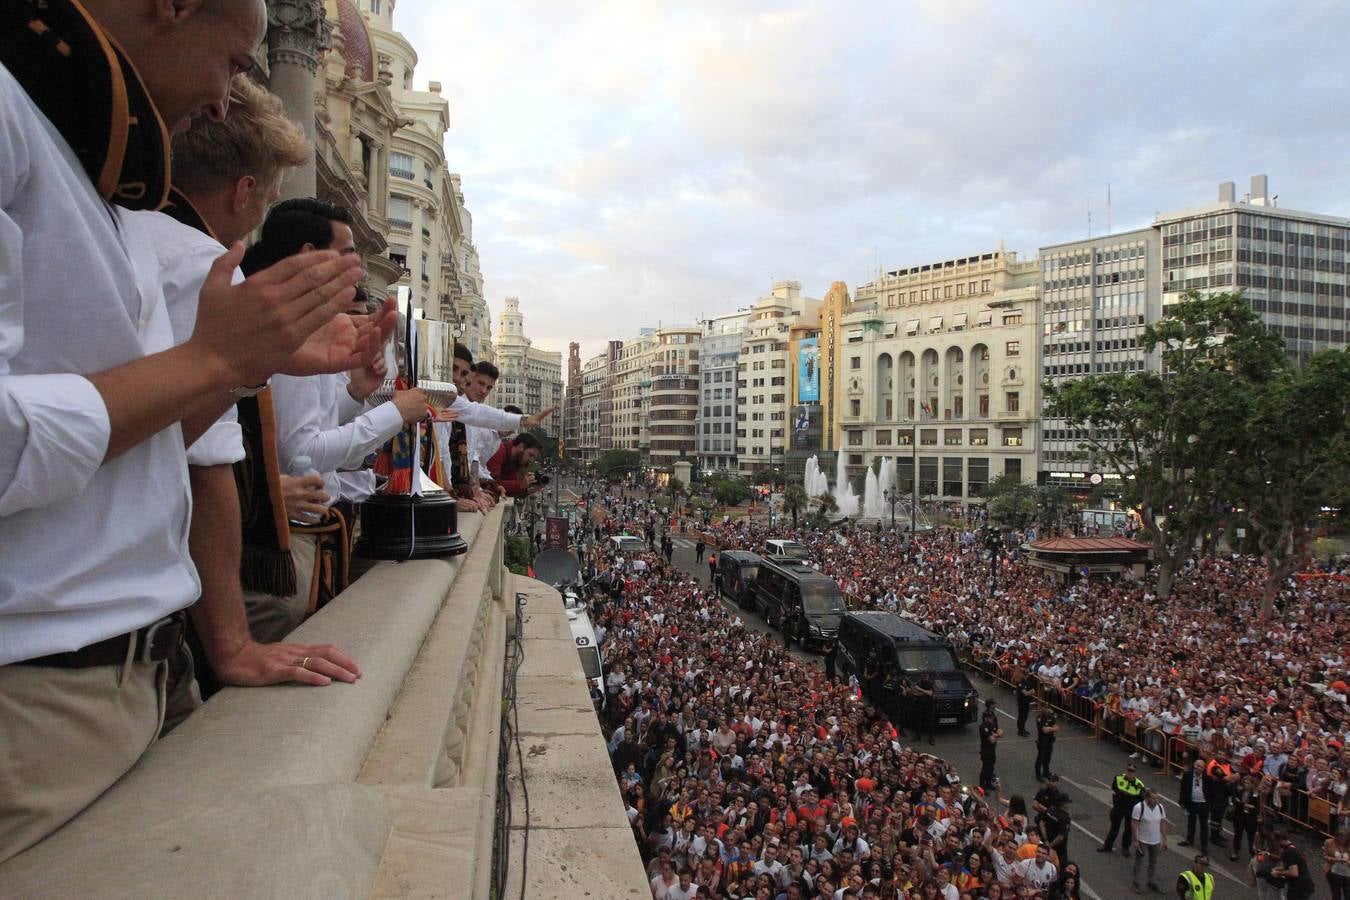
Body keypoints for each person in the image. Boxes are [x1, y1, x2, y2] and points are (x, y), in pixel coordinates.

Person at [0, 0, 363, 863]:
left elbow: (140, 454)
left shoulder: (102, 185)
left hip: (137, 671)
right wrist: (215, 363)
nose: (227, 93)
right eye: (236, 62)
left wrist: (239, 366)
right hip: (43, 696)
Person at [1100, 762, 1146, 855]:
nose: (1130, 772)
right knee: (1114, 828)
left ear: (1135, 772)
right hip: (1118, 808)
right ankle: (1107, 846)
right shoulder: (1118, 778)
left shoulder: (1139, 785)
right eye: (1129, 770)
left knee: (1128, 830)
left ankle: (1125, 849)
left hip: (1130, 810)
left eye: (1132, 771)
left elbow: (1141, 799)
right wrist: (1115, 804)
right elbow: (1114, 791)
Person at [1131, 788, 1169, 895]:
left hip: (1155, 840)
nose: (1156, 800)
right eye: (1153, 798)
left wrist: (1164, 839)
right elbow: (1134, 824)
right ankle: (1136, 882)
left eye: (1157, 798)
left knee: (1153, 862)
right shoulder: (1139, 807)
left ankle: (1150, 881)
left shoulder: (1160, 807)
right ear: (1147, 798)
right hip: (1142, 840)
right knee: (1139, 862)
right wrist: (1135, 840)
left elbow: (1162, 822)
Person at [486, 433, 546, 499]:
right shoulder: (499, 451)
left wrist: (531, 489)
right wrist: (520, 484)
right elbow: (492, 483)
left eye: (534, 457)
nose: (531, 460)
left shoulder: (517, 461)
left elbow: (510, 491)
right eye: (530, 455)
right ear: (521, 446)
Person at [1178, 758, 1210, 856]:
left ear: (1204, 768)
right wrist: (1182, 802)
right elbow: (1183, 789)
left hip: (1203, 804)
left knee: (1204, 826)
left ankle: (1204, 846)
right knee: (1191, 823)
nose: (1199, 768)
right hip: (1191, 803)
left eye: (1201, 767)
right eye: (1197, 766)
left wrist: (1209, 804)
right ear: (1194, 766)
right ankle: (1189, 840)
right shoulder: (1187, 776)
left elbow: (1211, 793)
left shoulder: (1207, 778)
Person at [1271, 832, 1316, 900]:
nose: (1274, 844)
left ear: (1279, 840)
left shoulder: (1289, 852)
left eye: (1274, 841)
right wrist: (1277, 869)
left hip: (1299, 888)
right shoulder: (1293, 847)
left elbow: (1294, 873)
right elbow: (1290, 865)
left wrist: (1278, 873)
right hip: (1304, 885)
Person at [978, 699, 1002, 792]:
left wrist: (996, 735)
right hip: (986, 749)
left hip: (992, 749)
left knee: (991, 767)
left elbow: (1000, 731)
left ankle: (988, 783)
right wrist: (997, 735)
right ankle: (982, 785)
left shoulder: (992, 725)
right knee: (985, 768)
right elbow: (991, 740)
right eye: (989, 718)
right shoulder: (984, 727)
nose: (991, 719)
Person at [1034, 702, 1059, 780]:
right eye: (1045, 707)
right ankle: (1038, 775)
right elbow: (1044, 730)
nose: (1046, 709)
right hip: (1042, 740)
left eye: (1047, 707)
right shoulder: (1040, 717)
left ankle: (1046, 772)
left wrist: (1050, 729)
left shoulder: (1051, 716)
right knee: (1040, 758)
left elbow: (1057, 727)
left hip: (1050, 740)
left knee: (1048, 758)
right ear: (1042, 708)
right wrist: (1052, 729)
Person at [1325, 825, 1350, 900]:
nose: (1343, 841)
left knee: (1348, 895)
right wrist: (1334, 859)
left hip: (1347, 875)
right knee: (1336, 895)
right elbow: (1325, 856)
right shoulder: (1329, 842)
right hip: (1333, 873)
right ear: (1336, 836)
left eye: (1345, 838)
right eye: (1341, 838)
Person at [1016, 670, 1037, 736]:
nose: (1026, 676)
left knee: (1025, 716)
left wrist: (1029, 692)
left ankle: (1023, 729)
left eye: (1027, 675)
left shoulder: (1028, 681)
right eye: (1025, 675)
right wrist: (1029, 692)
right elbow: (1025, 693)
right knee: (1021, 716)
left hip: (1027, 701)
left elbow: (1034, 691)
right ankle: (1020, 731)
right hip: (1021, 701)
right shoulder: (1020, 682)